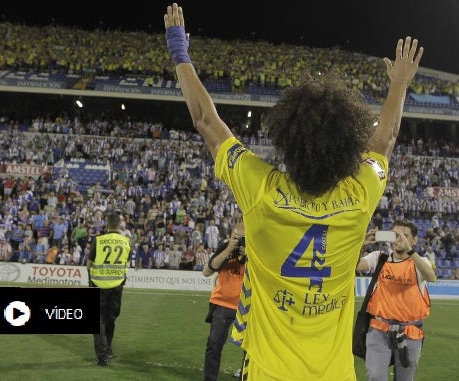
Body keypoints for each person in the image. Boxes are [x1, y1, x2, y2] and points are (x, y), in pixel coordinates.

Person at [163, 4, 423, 379]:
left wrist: (179, 50)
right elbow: (385, 140)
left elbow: (206, 120)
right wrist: (399, 82)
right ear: (348, 147)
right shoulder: (359, 196)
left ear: (287, 141)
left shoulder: (262, 190)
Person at [356, 219, 436, 381]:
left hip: (410, 332)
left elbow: (431, 276)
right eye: (395, 235)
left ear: (414, 240)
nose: (398, 239)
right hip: (379, 329)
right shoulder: (380, 258)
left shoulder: (420, 262)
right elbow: (355, 266)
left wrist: (411, 251)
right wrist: (360, 246)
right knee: (376, 377)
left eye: (404, 236)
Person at [202, 222, 247, 381]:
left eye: (242, 239)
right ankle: (210, 378)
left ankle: (246, 375)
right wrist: (229, 249)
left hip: (247, 306)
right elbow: (207, 271)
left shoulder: (255, 251)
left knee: (250, 348)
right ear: (230, 236)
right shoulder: (225, 247)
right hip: (222, 304)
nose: (238, 241)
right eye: (235, 238)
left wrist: (250, 255)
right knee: (214, 344)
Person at [87, 212, 132, 366]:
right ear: (120, 225)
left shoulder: (98, 240)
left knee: (98, 320)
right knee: (110, 319)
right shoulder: (126, 242)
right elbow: (125, 262)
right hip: (117, 286)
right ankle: (108, 350)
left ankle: (103, 356)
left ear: (107, 224)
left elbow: (89, 264)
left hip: (99, 285)